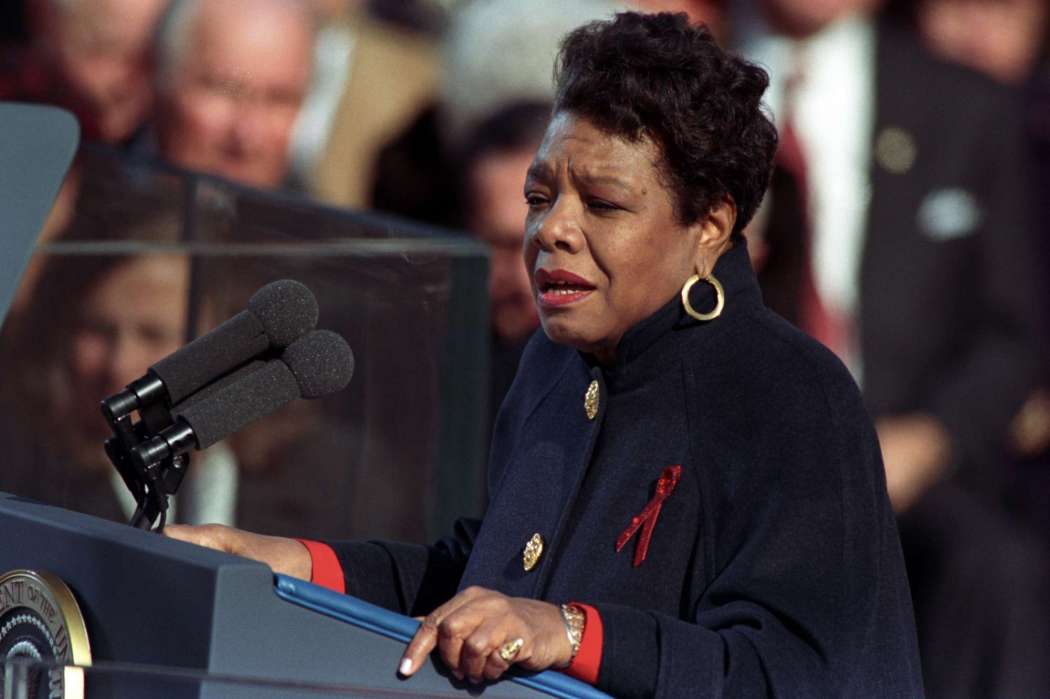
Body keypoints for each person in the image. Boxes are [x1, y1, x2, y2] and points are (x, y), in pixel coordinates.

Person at [166, 12, 923, 696]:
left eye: (603, 203)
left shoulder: (789, 394)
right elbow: (479, 585)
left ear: (711, 227)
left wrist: (571, 633)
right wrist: (296, 566)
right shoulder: (555, 364)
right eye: (540, 196)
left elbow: (800, 674)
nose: (551, 230)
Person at [151, 0, 314, 189]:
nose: (248, 136)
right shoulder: (111, 192)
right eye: (225, 90)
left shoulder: (321, 215)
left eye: (278, 100)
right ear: (163, 79)